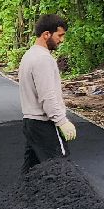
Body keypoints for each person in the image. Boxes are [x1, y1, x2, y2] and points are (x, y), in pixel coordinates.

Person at [18, 14, 76, 175]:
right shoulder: (43, 59)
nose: (62, 40)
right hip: (45, 124)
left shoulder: (29, 55)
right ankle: (66, 200)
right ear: (46, 34)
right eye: (60, 35)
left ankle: (24, 199)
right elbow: (47, 96)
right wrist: (61, 121)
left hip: (30, 123)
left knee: (31, 171)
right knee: (62, 169)